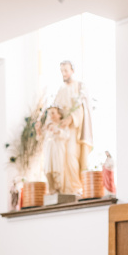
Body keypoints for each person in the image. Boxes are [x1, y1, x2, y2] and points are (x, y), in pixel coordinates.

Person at [53, 60, 93, 196]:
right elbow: (55, 108)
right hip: (62, 129)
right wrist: (56, 119)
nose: (64, 73)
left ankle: (76, 187)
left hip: (74, 129)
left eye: (66, 70)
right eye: (62, 71)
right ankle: (64, 189)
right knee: (61, 158)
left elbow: (82, 108)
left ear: (72, 71)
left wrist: (70, 119)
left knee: (71, 155)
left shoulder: (79, 87)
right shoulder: (61, 90)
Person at [36, 106, 78, 195]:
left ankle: (60, 190)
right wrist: (38, 130)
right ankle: (52, 190)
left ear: (59, 115)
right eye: (49, 113)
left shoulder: (62, 125)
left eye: (53, 113)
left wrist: (58, 131)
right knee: (48, 170)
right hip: (49, 151)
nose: (51, 115)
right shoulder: (47, 127)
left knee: (57, 169)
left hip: (58, 150)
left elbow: (66, 136)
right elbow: (41, 139)